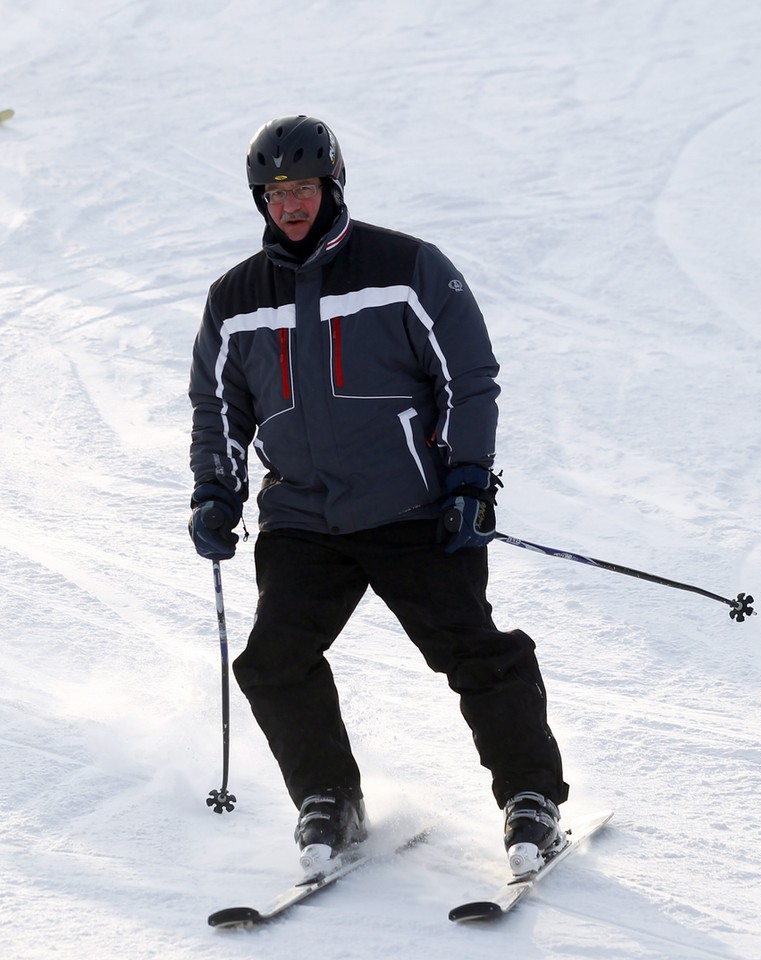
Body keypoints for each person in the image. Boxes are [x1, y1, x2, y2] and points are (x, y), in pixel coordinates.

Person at [188, 115, 568, 876]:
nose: (288, 204)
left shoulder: (407, 267)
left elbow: (468, 378)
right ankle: (329, 798)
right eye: (273, 191)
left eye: (301, 188)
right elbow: (219, 406)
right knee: (273, 661)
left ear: (333, 186)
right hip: (302, 516)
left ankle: (532, 800)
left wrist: (467, 478)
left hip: (412, 508)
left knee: (475, 653)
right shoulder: (235, 298)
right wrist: (216, 493)